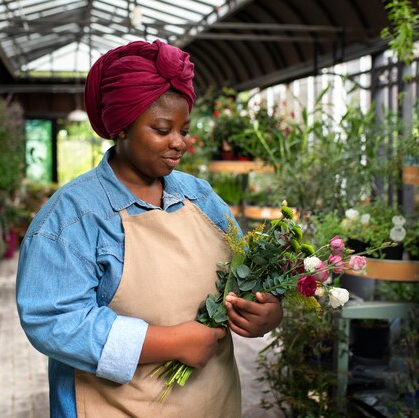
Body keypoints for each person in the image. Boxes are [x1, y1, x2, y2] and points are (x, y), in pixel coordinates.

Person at [16, 39, 283, 418]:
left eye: (185, 129)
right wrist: (171, 342)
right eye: (162, 129)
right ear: (121, 128)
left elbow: (247, 277)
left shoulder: (201, 197)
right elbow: (53, 320)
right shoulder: (73, 218)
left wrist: (266, 313)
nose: (179, 143)